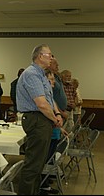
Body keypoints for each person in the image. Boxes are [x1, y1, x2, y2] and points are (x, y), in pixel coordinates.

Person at [16, 44, 63, 195]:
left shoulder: (41, 74)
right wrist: (55, 119)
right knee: (33, 165)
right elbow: (42, 104)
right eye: (50, 55)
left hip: (42, 119)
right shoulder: (32, 74)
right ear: (40, 56)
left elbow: (49, 100)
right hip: (37, 119)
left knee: (38, 164)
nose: (52, 58)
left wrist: (57, 114)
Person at [40, 69, 68, 194]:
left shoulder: (49, 93)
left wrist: (60, 126)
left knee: (49, 157)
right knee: (45, 158)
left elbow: (54, 107)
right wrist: (57, 120)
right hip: (49, 131)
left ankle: (45, 180)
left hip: (55, 131)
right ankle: (43, 184)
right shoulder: (43, 95)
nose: (53, 82)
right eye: (50, 80)